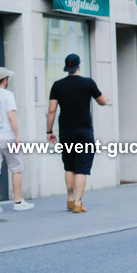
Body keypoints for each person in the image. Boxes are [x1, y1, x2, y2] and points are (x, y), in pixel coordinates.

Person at [47, 53, 108, 212]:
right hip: (84, 132)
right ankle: (77, 203)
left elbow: (52, 110)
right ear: (79, 66)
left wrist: (49, 131)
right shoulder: (88, 83)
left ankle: (69, 199)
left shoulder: (57, 85)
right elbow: (101, 101)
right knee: (81, 169)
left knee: (69, 167)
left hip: (66, 132)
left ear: (66, 68)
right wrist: (106, 99)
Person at [0, 67, 34, 213]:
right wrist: (17, 136)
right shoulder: (7, 95)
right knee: (16, 169)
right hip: (7, 137)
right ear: (5, 80)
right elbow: (11, 117)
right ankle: (17, 201)